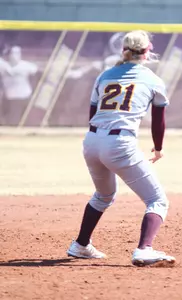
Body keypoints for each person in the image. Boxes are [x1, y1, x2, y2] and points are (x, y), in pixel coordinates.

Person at [66, 30, 175, 267]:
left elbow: (93, 114)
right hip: (120, 143)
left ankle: (81, 245)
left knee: (103, 195)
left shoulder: (105, 75)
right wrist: (158, 148)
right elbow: (159, 120)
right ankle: (144, 249)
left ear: (123, 50)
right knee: (157, 200)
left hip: (92, 141)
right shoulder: (152, 79)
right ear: (148, 51)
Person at [0, 45, 38, 125]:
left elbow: (36, 70)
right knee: (13, 121)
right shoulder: (3, 65)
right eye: (12, 53)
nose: (14, 56)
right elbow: (9, 71)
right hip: (11, 99)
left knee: (29, 121)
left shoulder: (26, 65)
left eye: (17, 53)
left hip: (26, 96)